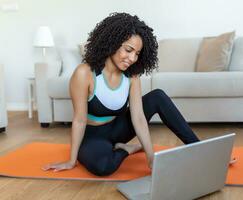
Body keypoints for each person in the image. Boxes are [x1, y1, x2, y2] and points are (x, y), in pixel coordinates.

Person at [42, 12, 200, 176]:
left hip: (118, 129)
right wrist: (71, 160)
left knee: (157, 96)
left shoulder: (132, 76)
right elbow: (80, 120)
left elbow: (138, 117)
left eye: (137, 53)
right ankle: (127, 149)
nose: (132, 58)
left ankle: (200, 149)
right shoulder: (85, 73)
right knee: (103, 167)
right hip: (93, 136)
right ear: (112, 43)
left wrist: (151, 156)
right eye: (128, 50)